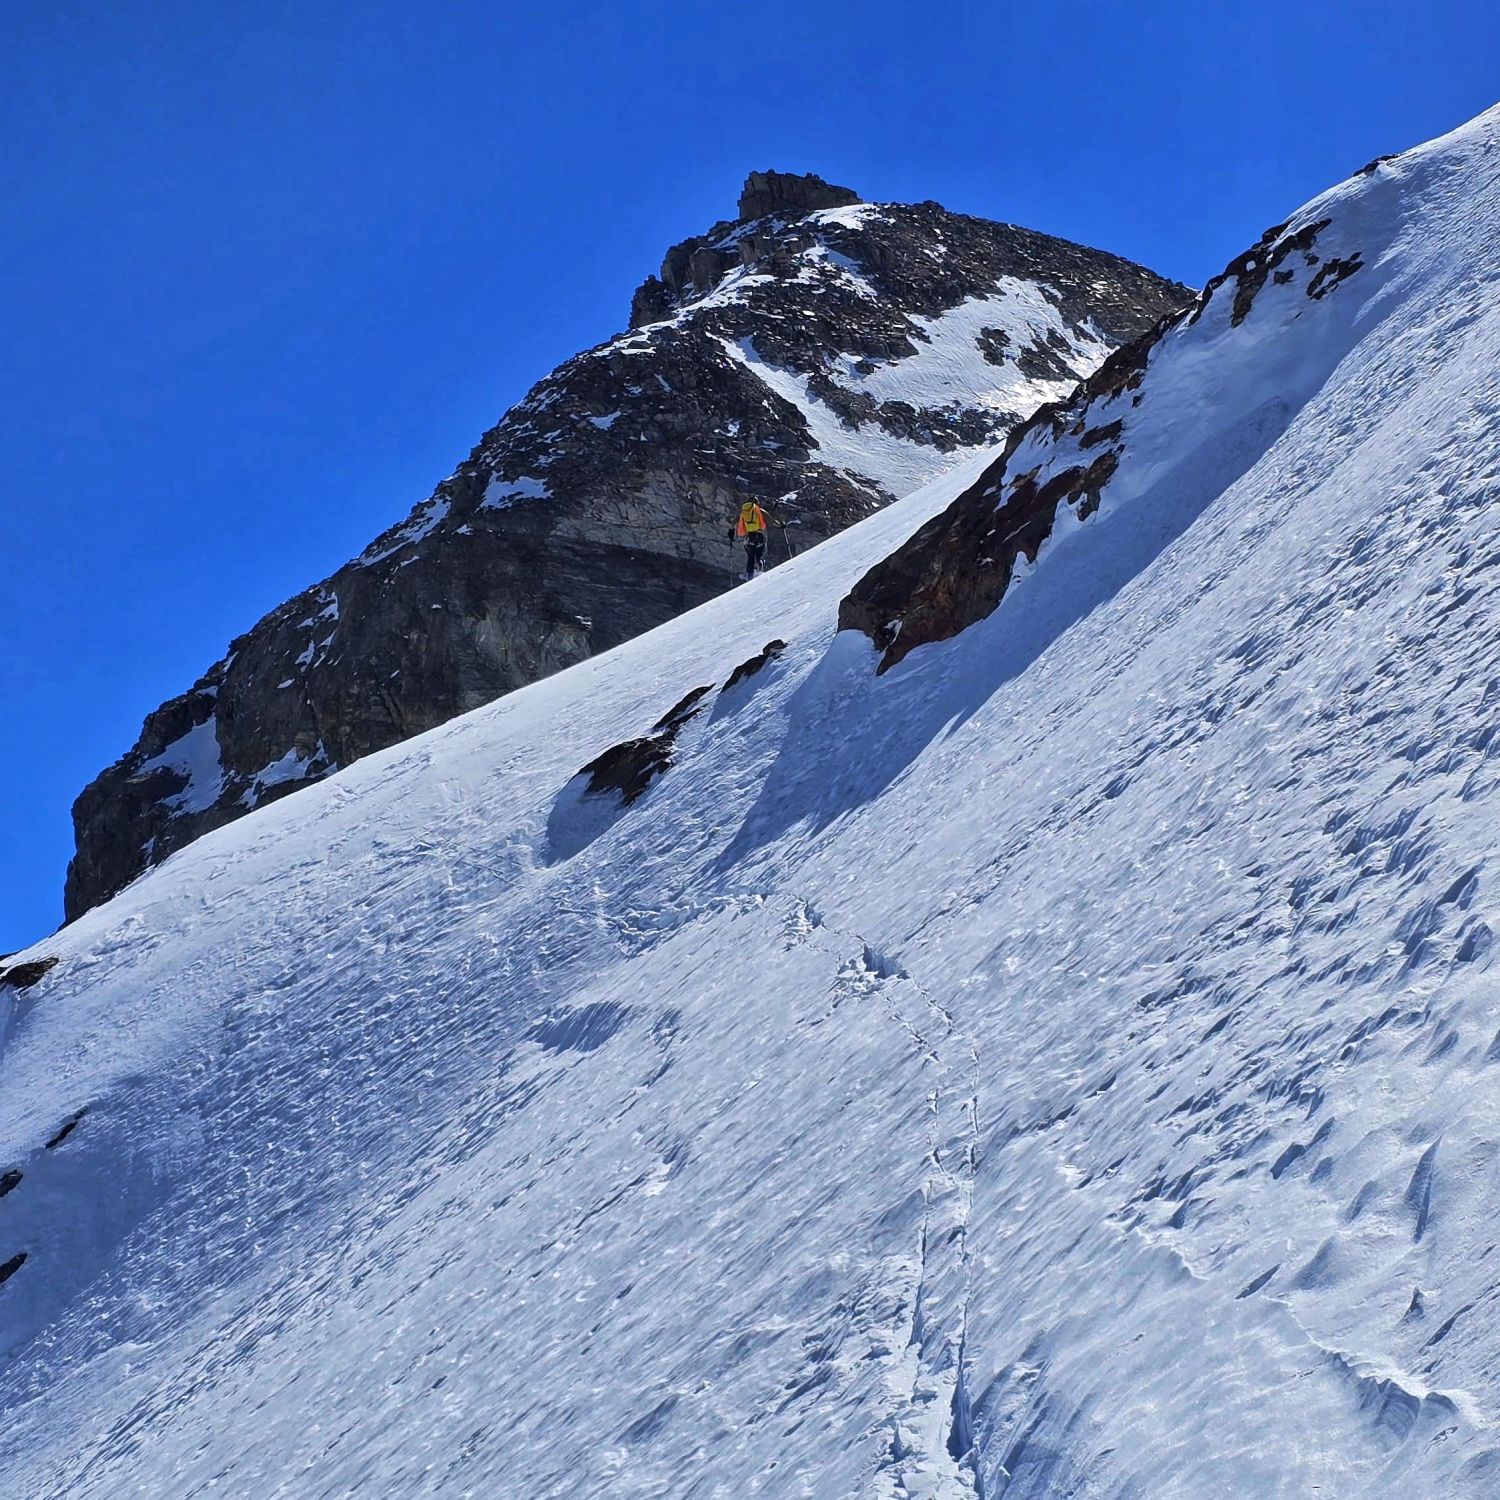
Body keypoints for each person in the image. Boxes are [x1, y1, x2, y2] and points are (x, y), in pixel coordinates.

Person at [730, 499, 770, 579]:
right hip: (759, 536)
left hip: (749, 537)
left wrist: (731, 531)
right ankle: (759, 571)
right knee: (759, 555)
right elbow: (771, 519)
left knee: (750, 557)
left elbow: (733, 523)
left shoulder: (744, 512)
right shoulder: (759, 510)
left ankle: (750, 574)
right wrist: (781, 525)